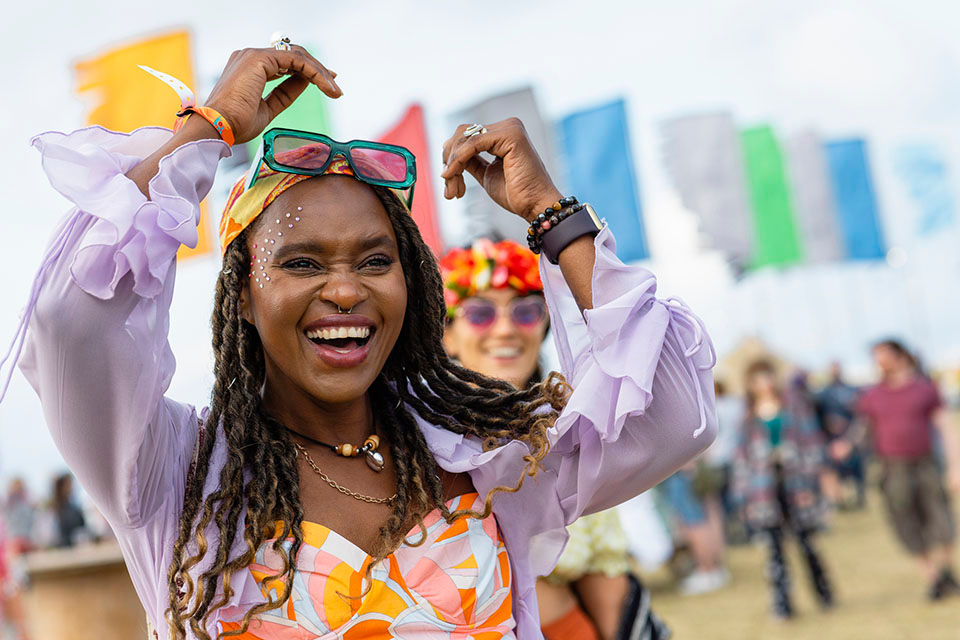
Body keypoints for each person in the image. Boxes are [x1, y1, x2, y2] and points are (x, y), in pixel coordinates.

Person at [7, 41, 716, 639]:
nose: (346, 290)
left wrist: (550, 215)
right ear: (244, 298)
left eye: (376, 262)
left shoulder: (486, 460)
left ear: (411, 288)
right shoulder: (173, 475)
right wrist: (209, 128)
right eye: (302, 262)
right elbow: (72, 318)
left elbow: (674, 411)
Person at [440, 238, 668, 640]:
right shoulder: (415, 439)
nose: (506, 328)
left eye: (526, 311)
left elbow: (608, 591)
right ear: (447, 336)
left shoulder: (571, 434)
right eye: (479, 314)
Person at [855, 339, 960, 600]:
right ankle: (932, 579)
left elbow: (945, 427)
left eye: (883, 356)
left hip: (925, 463)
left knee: (940, 517)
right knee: (905, 519)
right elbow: (862, 430)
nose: (879, 362)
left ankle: (946, 570)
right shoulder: (873, 395)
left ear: (900, 356)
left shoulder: (925, 389)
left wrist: (955, 465)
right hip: (893, 467)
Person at [732, 361, 833, 619]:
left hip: (796, 482)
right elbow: (742, 459)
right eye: (757, 379)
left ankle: (824, 594)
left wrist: (812, 482)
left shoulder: (794, 408)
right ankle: (782, 604)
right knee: (774, 550)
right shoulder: (747, 418)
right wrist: (744, 497)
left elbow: (812, 443)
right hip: (764, 489)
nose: (763, 384)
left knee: (806, 541)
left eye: (767, 377)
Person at [815, 362, 865, 509]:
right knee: (833, 471)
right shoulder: (823, 393)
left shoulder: (853, 390)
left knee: (857, 470)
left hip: (851, 437)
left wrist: (851, 436)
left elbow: (861, 415)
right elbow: (818, 415)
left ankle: (859, 498)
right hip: (831, 439)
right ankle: (837, 500)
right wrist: (827, 424)